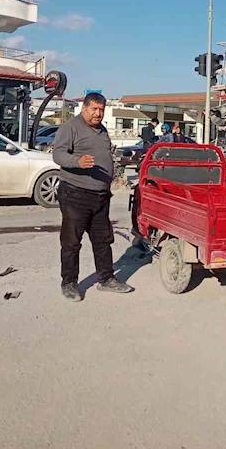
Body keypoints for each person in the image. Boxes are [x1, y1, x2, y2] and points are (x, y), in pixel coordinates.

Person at [53, 92, 134, 301]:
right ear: (84, 108)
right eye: (94, 109)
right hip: (75, 193)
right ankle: (69, 283)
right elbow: (58, 154)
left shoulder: (102, 130)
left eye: (101, 110)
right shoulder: (70, 127)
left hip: (100, 196)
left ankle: (106, 279)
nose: (98, 114)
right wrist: (77, 162)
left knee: (103, 240)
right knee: (71, 242)